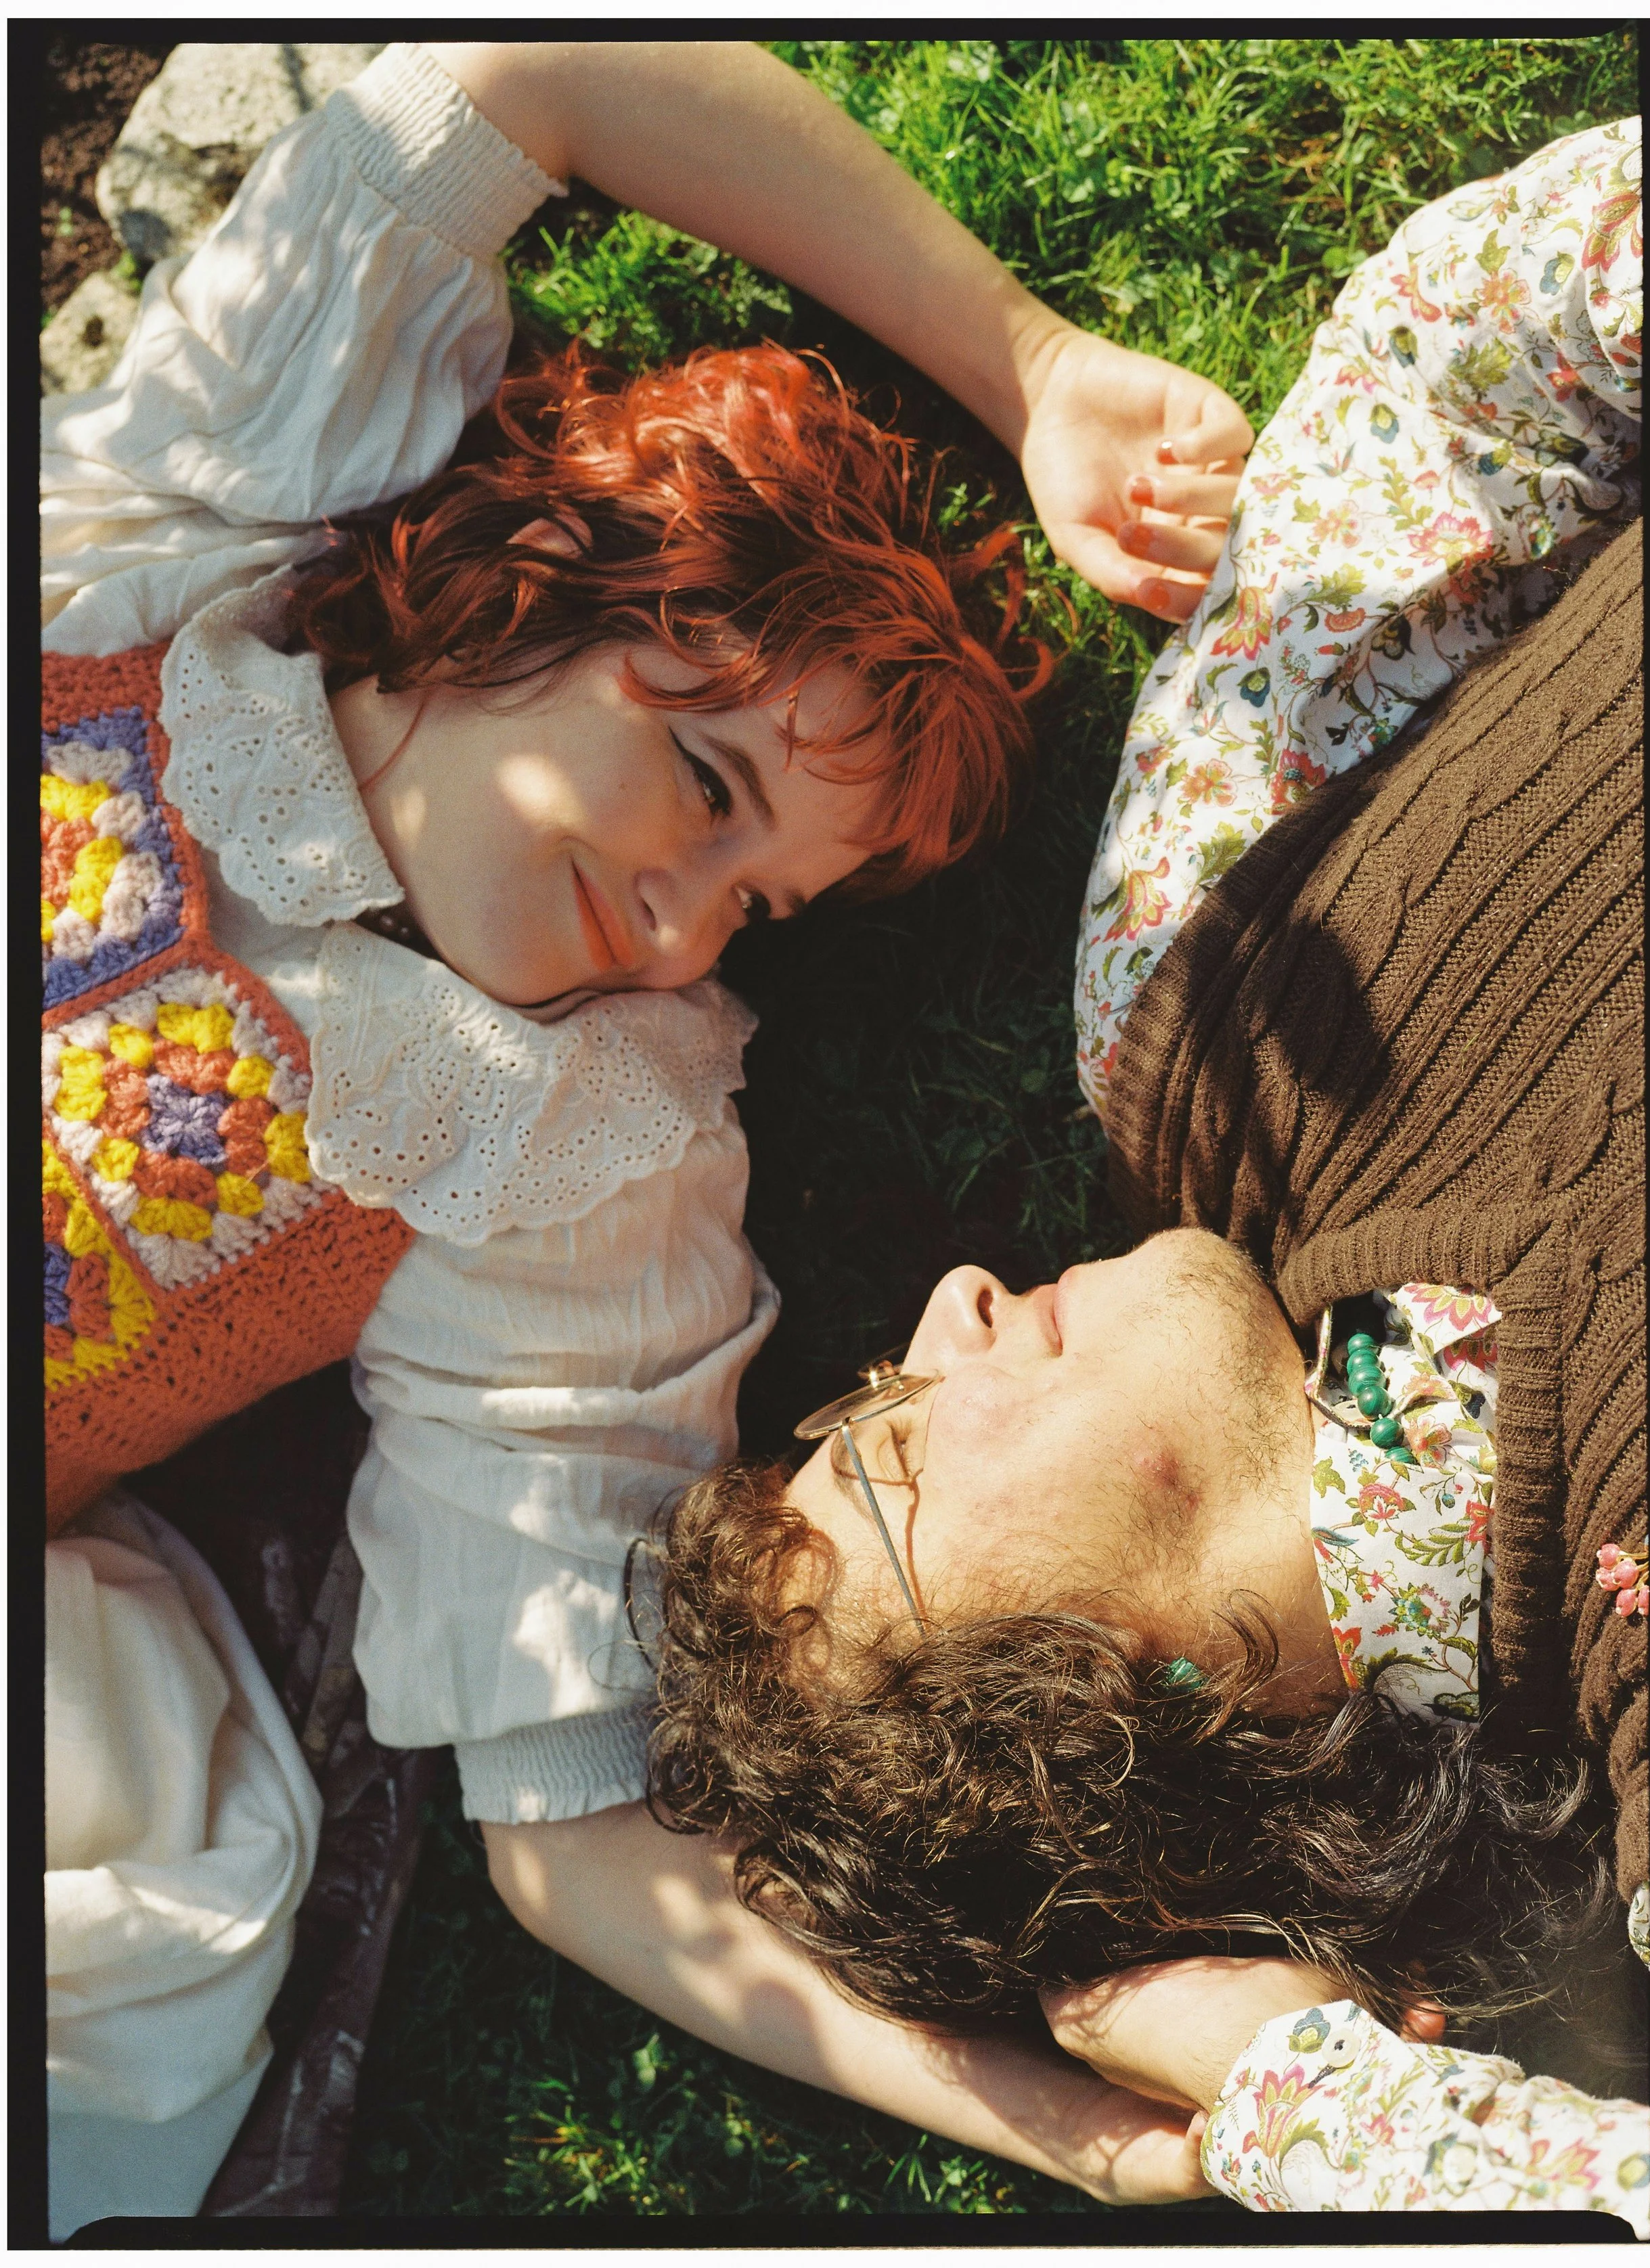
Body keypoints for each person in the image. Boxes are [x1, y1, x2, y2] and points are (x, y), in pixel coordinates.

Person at [42, 39, 1253, 2216]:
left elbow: (576, 1819)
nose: (686, 925)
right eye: (705, 787)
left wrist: (1079, 2131)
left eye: (758, 905)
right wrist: (1033, 360)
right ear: (545, 576)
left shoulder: (566, 1149)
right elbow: (543, 66)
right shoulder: (170, 558)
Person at [635, 118, 1650, 2227]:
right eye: (902, 1443)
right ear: (1102, 1704)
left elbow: (1463, 366)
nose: (946, 1313)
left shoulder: (1187, 1018)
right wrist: (1295, 2098)